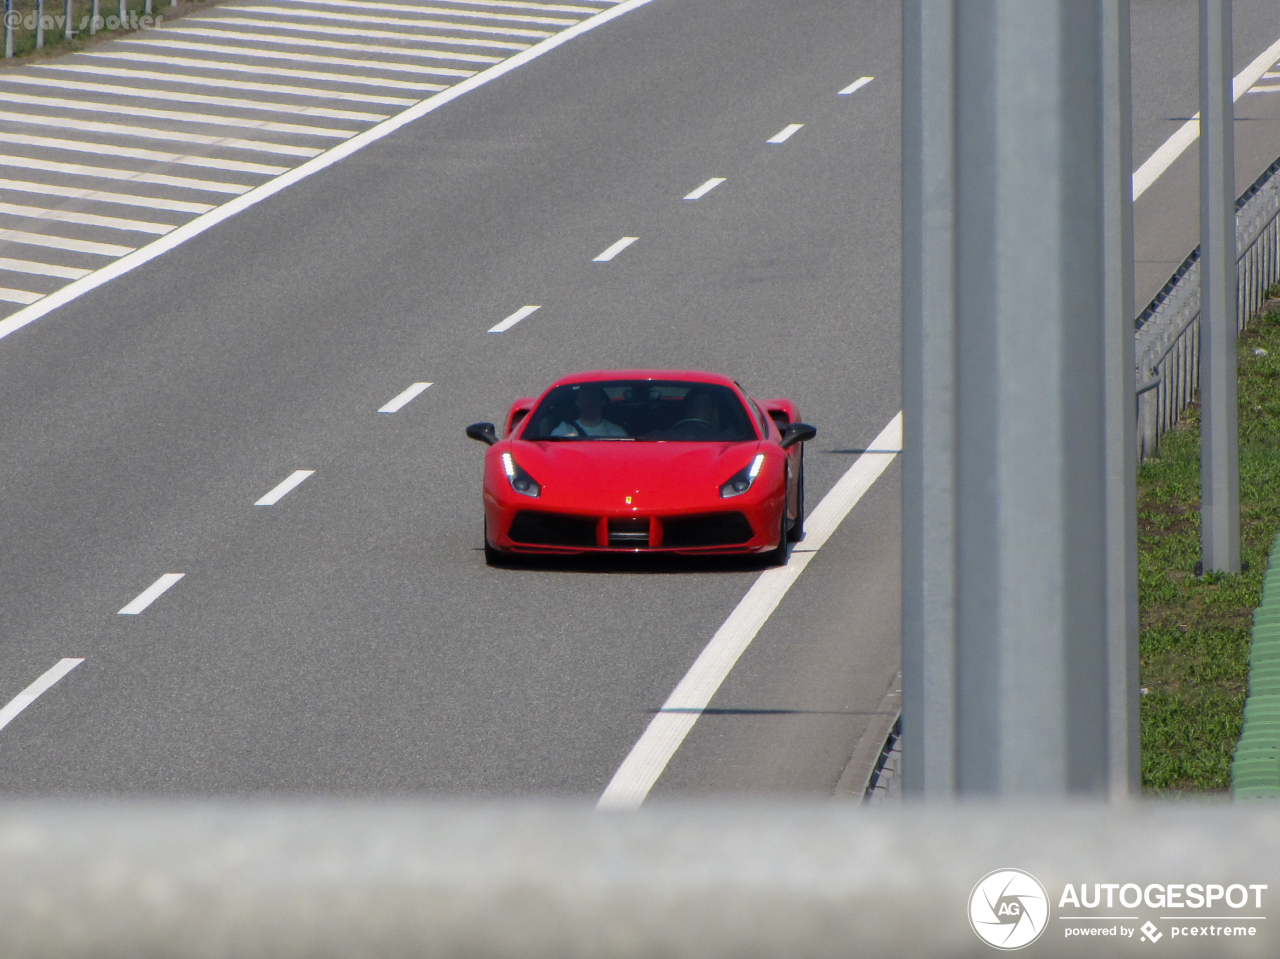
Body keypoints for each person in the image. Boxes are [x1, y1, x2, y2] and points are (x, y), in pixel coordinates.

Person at [551, 385, 628, 437]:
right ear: (577, 402)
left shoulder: (616, 432)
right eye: (584, 398)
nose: (589, 402)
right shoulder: (565, 429)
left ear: (602, 402)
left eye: (593, 398)